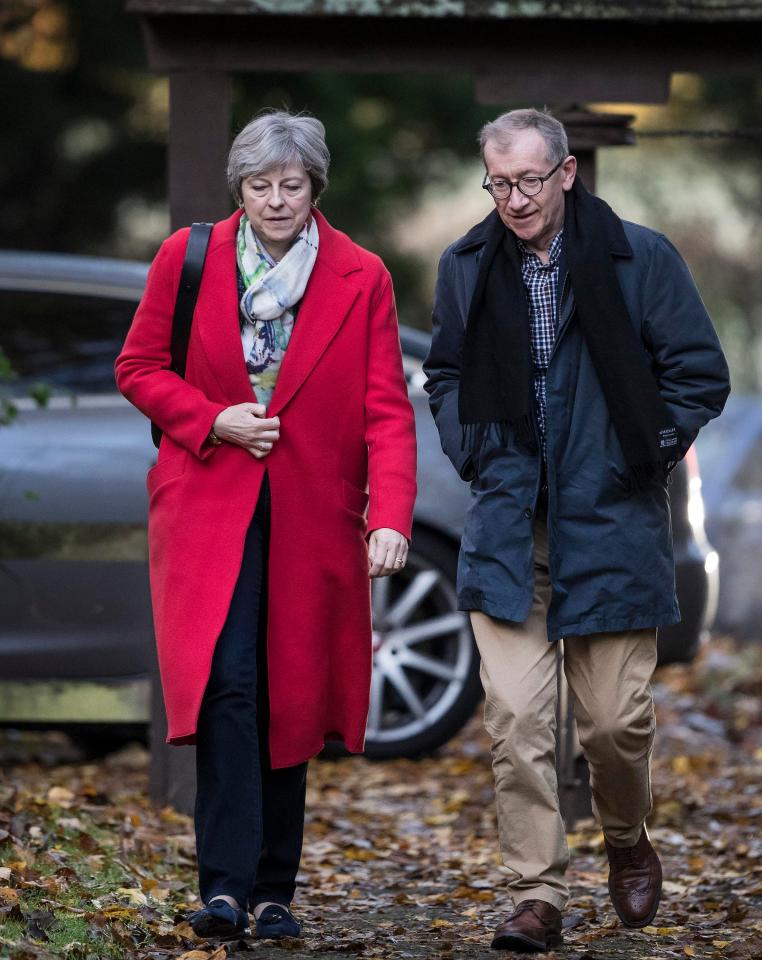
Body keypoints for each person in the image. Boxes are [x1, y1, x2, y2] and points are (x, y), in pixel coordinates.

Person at [423, 108, 729, 953]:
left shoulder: (642, 258)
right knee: (516, 723)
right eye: (498, 182)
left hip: (612, 521)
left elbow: (700, 373)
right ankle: (537, 894)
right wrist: (471, 449)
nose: (512, 198)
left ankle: (627, 840)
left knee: (612, 726)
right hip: (510, 527)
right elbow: (444, 372)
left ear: (565, 173)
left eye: (527, 180)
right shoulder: (467, 265)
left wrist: (649, 450)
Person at [115, 110, 416, 942]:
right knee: (228, 685)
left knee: (291, 690)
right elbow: (137, 368)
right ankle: (224, 886)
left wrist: (389, 515)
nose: (276, 201)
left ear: (315, 186)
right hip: (208, 503)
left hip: (313, 513)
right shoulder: (189, 256)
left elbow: (387, 409)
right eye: (259, 186)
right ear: (239, 189)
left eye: (291, 185)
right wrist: (215, 420)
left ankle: (276, 890)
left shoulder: (362, 275)